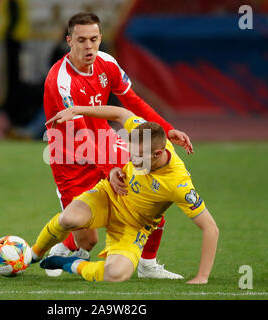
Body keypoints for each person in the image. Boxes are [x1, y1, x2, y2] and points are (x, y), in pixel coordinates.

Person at [43, 12, 193, 279]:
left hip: (106, 142)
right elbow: (80, 136)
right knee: (87, 240)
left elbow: (133, 102)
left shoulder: (107, 63)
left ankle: (148, 264)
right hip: (70, 156)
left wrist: (167, 130)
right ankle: (64, 248)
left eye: (93, 39)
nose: (88, 46)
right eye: (81, 40)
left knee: (149, 193)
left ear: (100, 38)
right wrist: (111, 168)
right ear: (69, 41)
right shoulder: (61, 80)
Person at [29, 105, 219, 284]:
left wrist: (202, 276)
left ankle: (68, 264)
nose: (132, 159)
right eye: (131, 153)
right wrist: (77, 110)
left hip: (132, 227)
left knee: (116, 275)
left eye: (138, 156)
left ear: (158, 153)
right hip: (109, 196)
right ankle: (32, 255)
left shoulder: (178, 184)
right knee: (69, 219)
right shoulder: (143, 135)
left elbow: (211, 228)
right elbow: (121, 113)